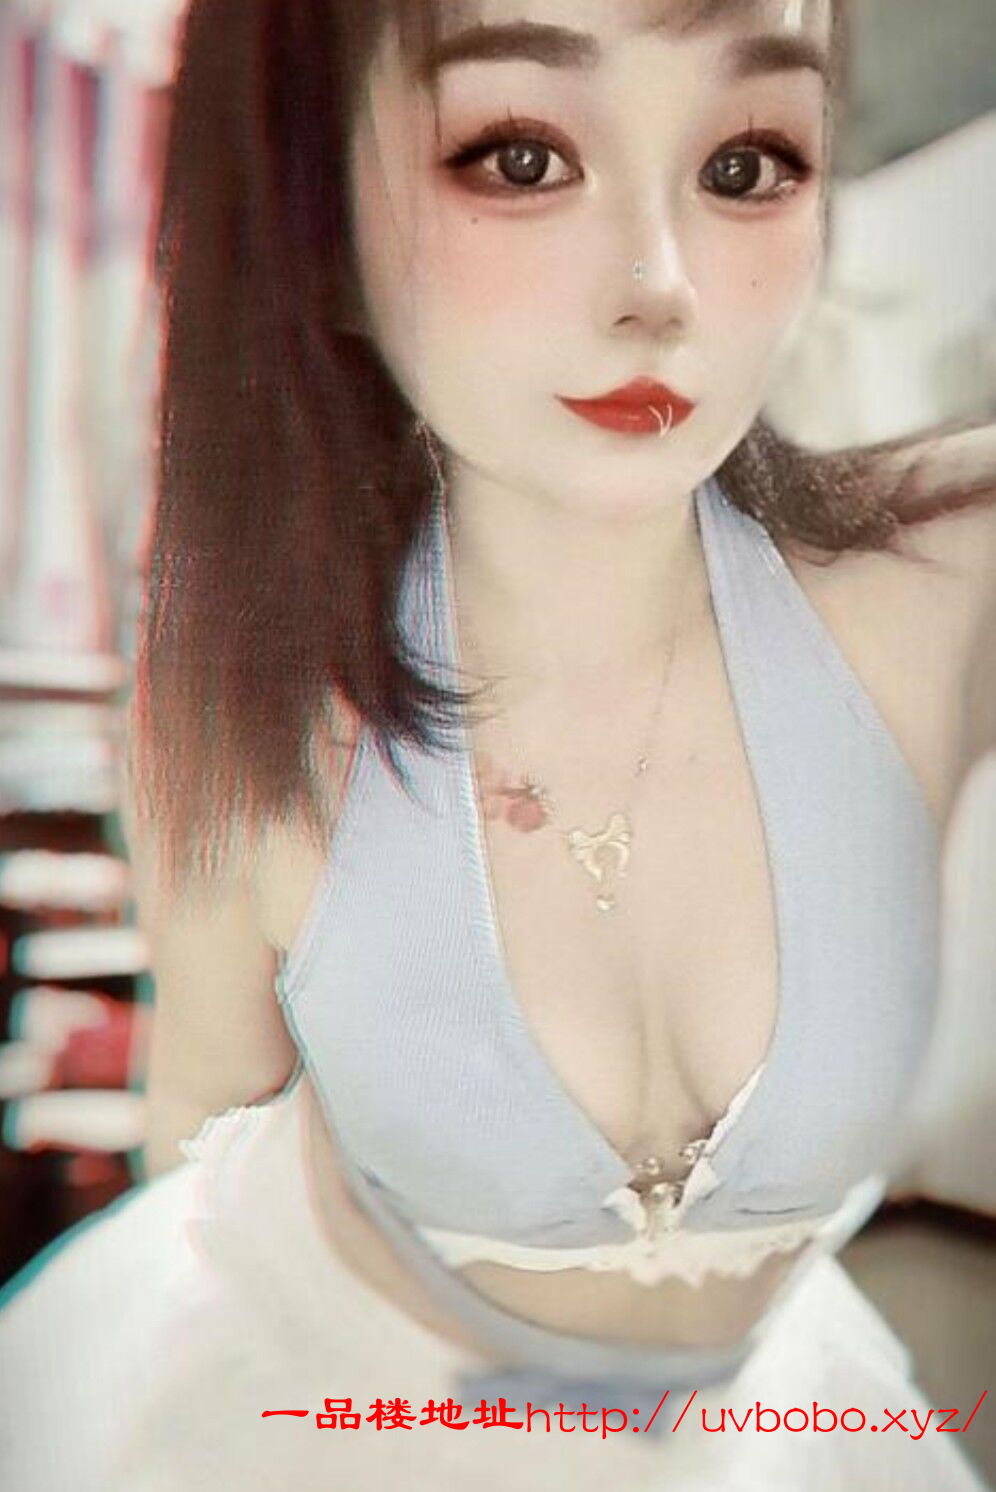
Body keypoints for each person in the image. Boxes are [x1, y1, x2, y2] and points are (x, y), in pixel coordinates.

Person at [1, 0, 995, 1487]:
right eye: (520, 157)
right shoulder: (253, 706)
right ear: (316, 228)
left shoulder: (943, 579)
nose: (661, 290)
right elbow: (196, 1118)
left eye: (745, 165)